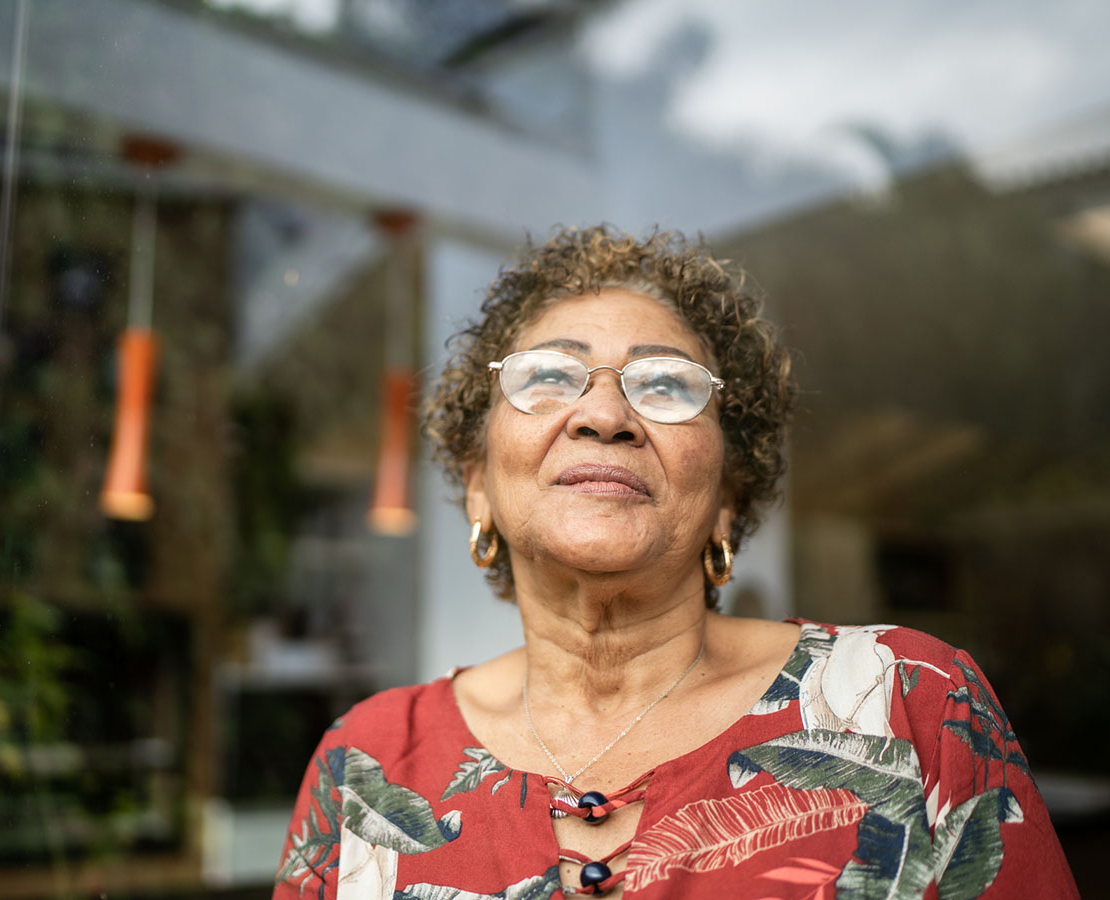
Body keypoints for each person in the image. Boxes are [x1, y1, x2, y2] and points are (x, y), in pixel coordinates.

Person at [273, 226, 1077, 899]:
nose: (604, 413)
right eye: (549, 376)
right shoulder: (367, 761)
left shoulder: (910, 702)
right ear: (477, 484)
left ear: (728, 497)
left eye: (665, 385)